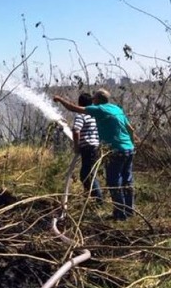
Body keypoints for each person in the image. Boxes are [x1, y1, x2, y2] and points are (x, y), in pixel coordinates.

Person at [54, 89, 139, 221]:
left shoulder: (99, 109)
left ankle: (120, 214)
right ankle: (129, 211)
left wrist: (59, 99)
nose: (92, 100)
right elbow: (130, 129)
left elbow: (73, 108)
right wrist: (132, 146)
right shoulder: (116, 108)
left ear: (98, 100)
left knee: (114, 182)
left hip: (115, 150)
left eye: (94, 98)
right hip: (129, 148)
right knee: (127, 180)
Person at [72, 93, 103, 203]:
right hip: (96, 148)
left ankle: (99, 200)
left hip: (88, 148)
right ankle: (88, 198)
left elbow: (76, 131)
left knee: (87, 175)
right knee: (87, 174)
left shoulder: (80, 115)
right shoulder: (94, 116)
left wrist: (76, 147)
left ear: (79, 104)